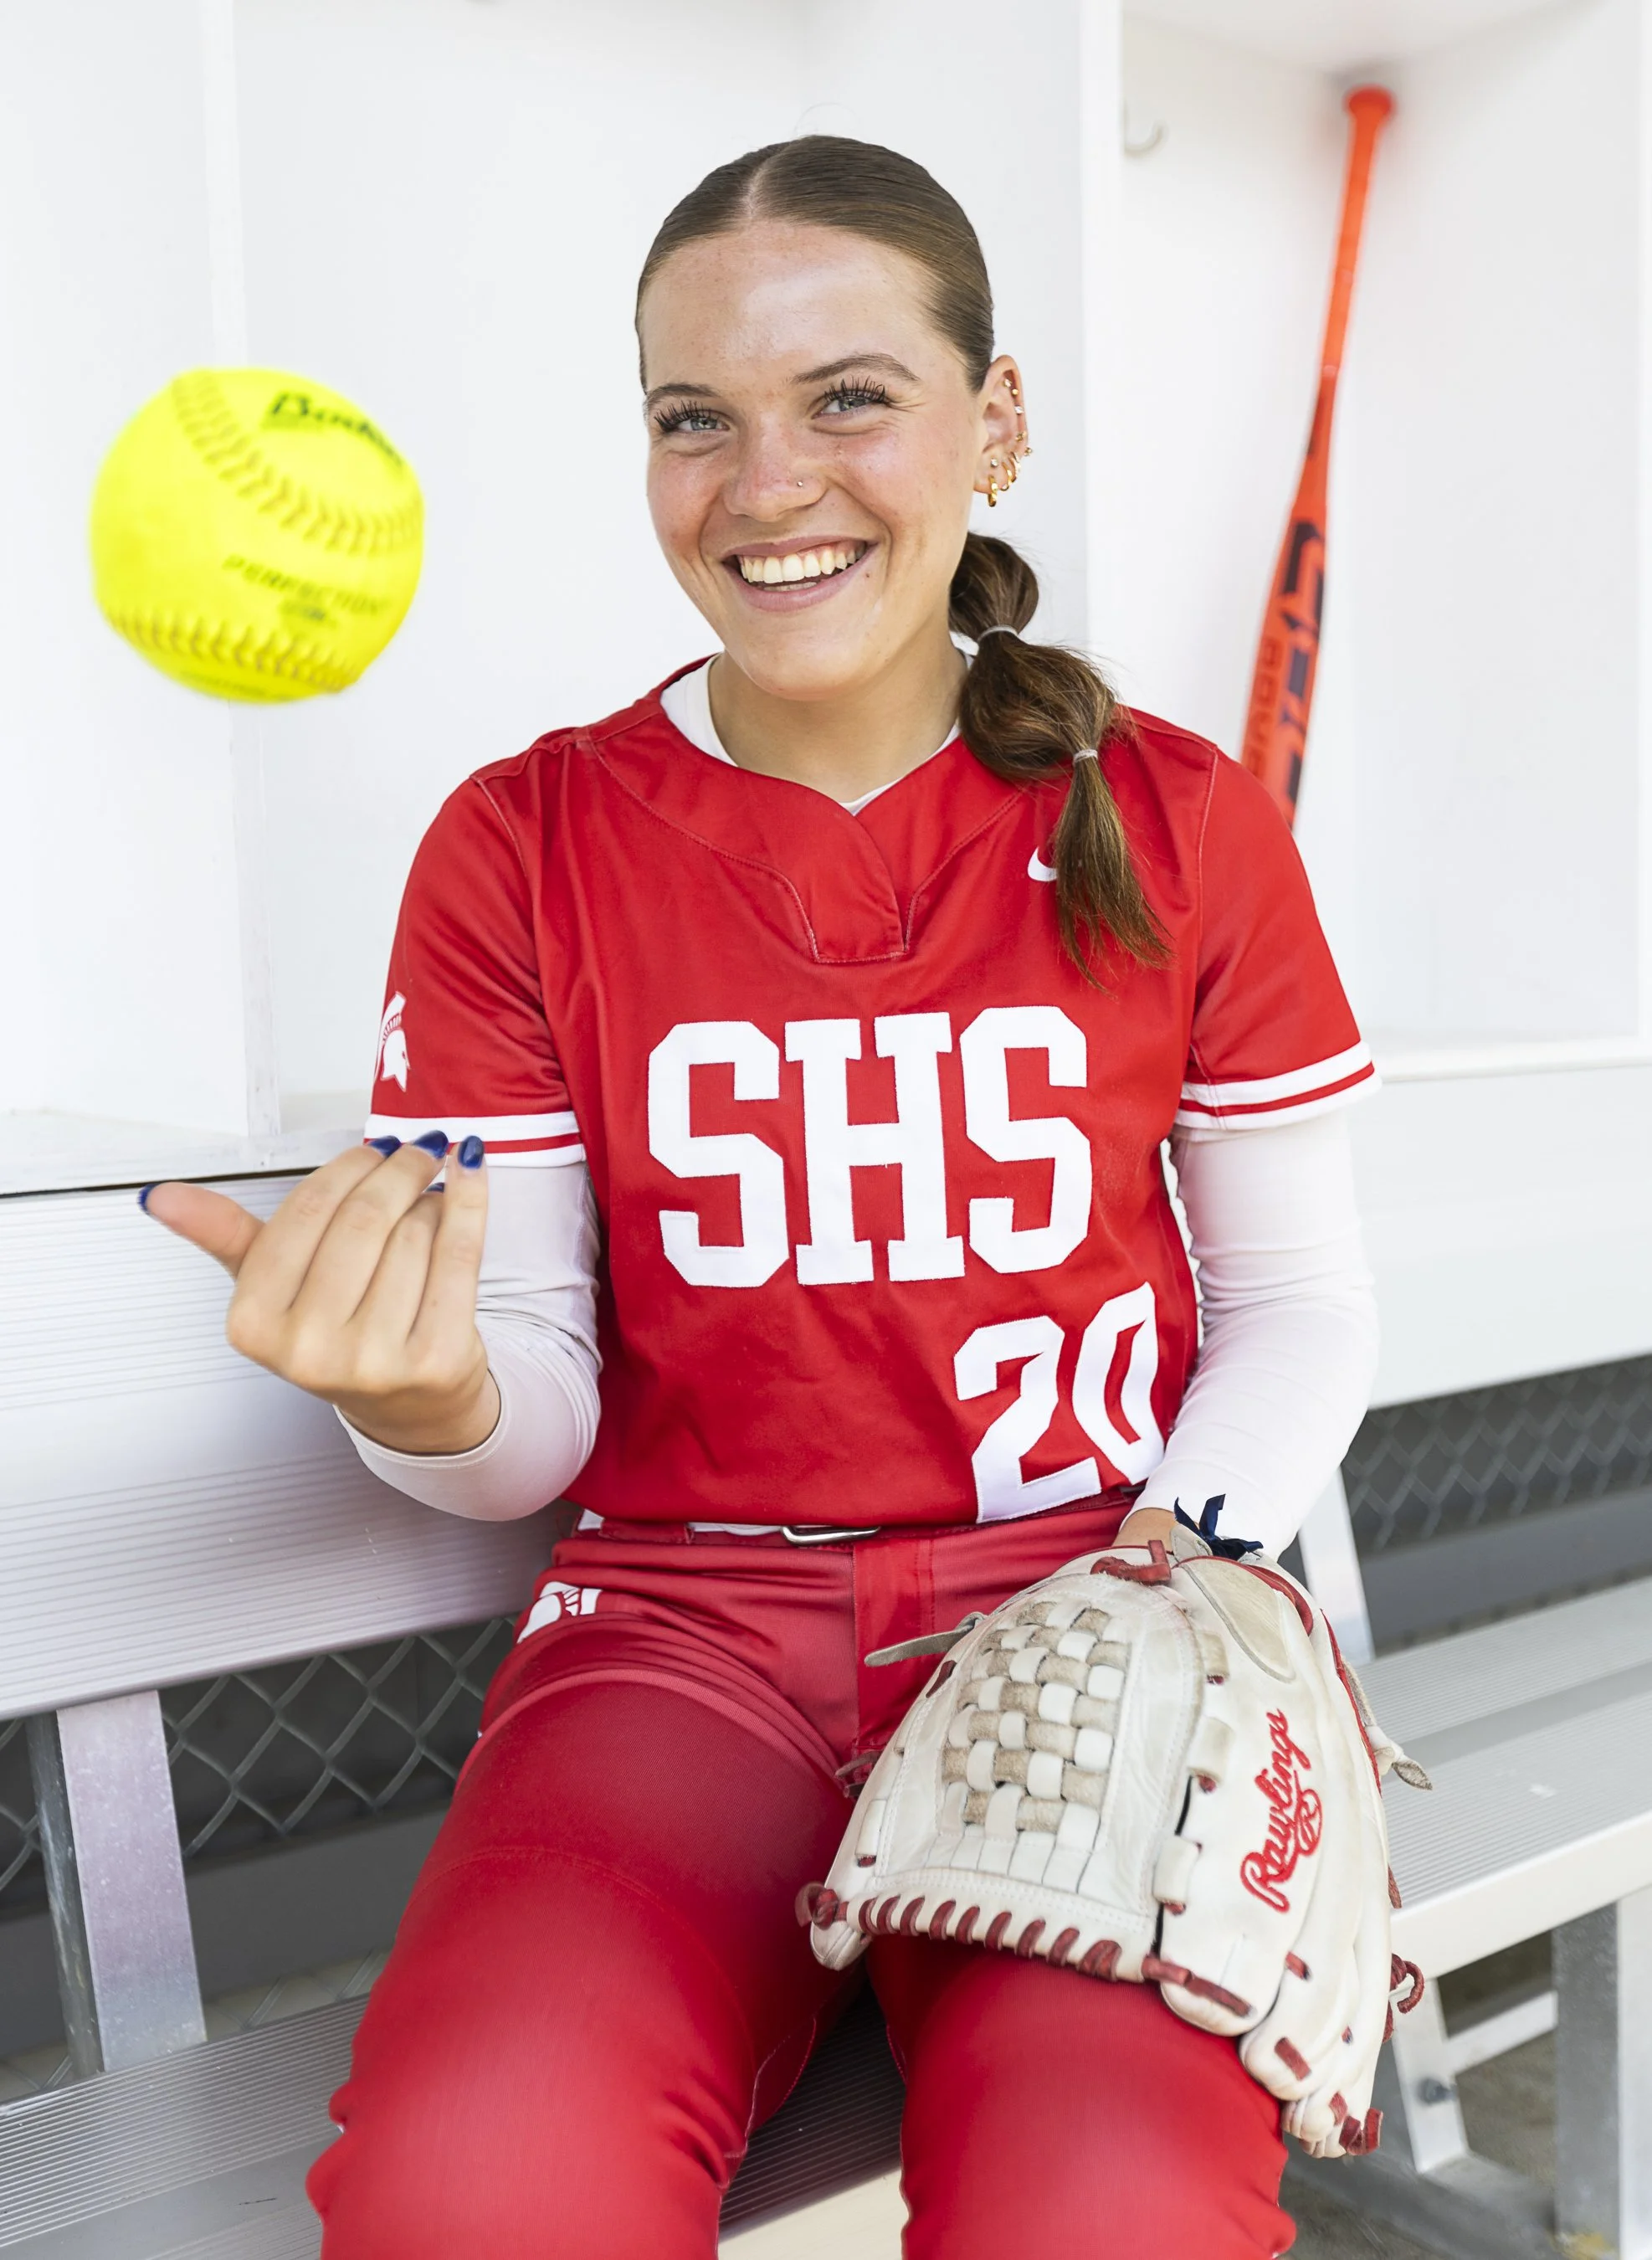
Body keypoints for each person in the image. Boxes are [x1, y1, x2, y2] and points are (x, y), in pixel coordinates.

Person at [144, 136, 1378, 2260]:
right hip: (682, 1646)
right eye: (692, 417)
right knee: (473, 2199)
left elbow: (1302, 1307)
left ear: (994, 422)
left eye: (849, 398)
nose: (765, 480)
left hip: (1079, 1618)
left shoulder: (1176, 818)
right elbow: (524, 1401)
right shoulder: (521, 840)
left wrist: (1188, 1559)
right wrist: (424, 1402)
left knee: (1113, 2215)